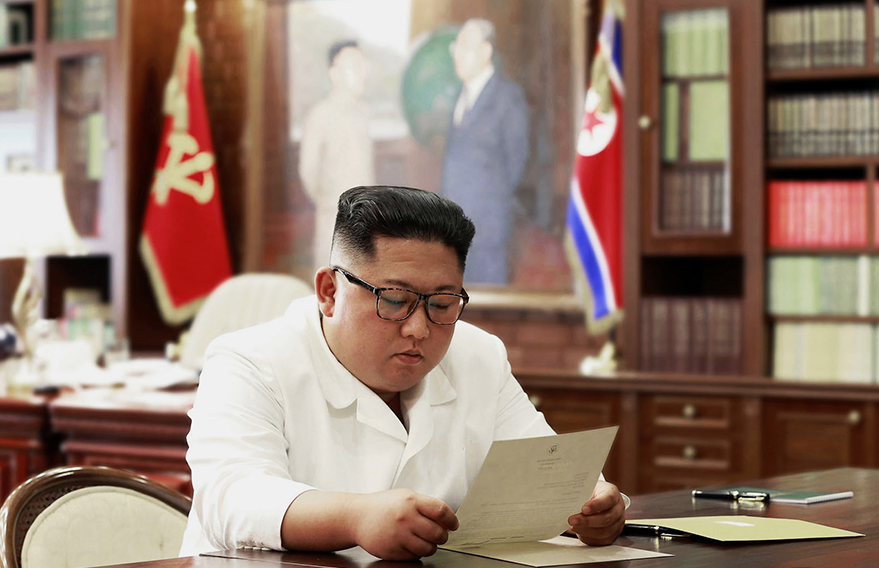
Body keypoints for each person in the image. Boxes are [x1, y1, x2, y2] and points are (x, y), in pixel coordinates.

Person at [179, 186, 626, 561]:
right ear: (329, 291)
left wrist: (591, 504)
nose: (419, 327)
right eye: (393, 300)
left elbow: (544, 469)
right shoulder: (248, 361)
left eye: (443, 303)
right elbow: (233, 498)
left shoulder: (478, 355)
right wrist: (356, 517)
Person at [440, 19, 530, 284]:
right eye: (456, 46)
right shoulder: (460, 96)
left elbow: (517, 163)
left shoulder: (507, 97)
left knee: (488, 312)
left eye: (465, 46)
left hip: (488, 232)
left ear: (486, 51)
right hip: (455, 230)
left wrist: (489, 205)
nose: (456, 53)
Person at [300, 40, 375, 274]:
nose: (362, 73)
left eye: (362, 65)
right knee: (332, 291)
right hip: (335, 221)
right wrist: (331, 203)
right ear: (334, 73)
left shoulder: (364, 112)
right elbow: (308, 173)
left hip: (367, 221)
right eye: (353, 66)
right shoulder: (320, 116)